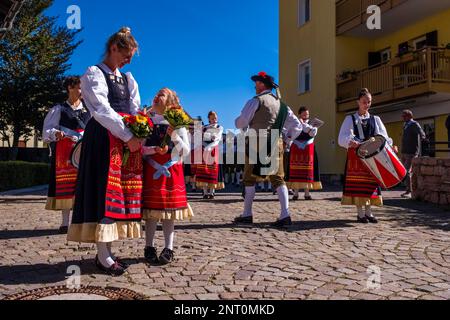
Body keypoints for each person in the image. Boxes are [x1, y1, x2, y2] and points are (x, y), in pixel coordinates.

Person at [67, 27, 143, 276]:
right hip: (103, 138)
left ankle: (107, 251)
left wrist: (140, 128)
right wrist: (129, 135)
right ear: (113, 47)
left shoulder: (128, 78)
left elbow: (134, 108)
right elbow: (101, 110)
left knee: (117, 194)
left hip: (122, 140)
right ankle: (103, 255)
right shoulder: (93, 73)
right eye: (126, 54)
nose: (129, 60)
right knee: (104, 192)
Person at [234, 71, 303, 227]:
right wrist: (287, 140)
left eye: (256, 83)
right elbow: (297, 126)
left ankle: (247, 214)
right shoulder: (284, 106)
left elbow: (241, 123)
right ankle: (285, 215)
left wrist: (237, 120)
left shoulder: (255, 101)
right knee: (278, 178)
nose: (254, 86)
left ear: (262, 84)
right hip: (275, 141)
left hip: (256, 141)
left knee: (249, 178)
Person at [142, 88, 193, 265]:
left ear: (170, 101)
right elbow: (140, 148)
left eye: (161, 94)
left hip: (172, 171)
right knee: (151, 213)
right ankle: (149, 246)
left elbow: (185, 151)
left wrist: (174, 136)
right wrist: (152, 149)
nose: (156, 96)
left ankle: (168, 248)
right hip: (152, 170)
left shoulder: (178, 122)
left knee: (168, 213)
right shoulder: (146, 119)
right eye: (156, 93)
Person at [338, 88, 397, 224]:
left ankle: (369, 212)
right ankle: (360, 214)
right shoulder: (350, 119)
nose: (367, 104)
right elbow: (342, 137)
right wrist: (349, 142)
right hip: (355, 157)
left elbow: (383, 137)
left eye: (369, 102)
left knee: (370, 184)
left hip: (371, 157)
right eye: (364, 102)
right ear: (358, 102)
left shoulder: (375, 119)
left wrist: (389, 145)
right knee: (358, 184)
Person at [43, 76, 91, 234]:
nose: (82, 91)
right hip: (65, 152)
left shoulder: (89, 109)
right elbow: (47, 131)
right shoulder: (59, 109)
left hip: (84, 150)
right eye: (79, 87)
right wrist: (56, 133)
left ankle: (81, 220)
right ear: (70, 88)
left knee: (83, 184)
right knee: (67, 184)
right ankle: (65, 222)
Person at [285, 106, 322, 201]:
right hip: (296, 148)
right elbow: (290, 132)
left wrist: (305, 125)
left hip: (308, 148)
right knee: (296, 170)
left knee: (307, 171)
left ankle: (307, 193)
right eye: (304, 114)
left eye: (307, 114)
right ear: (300, 114)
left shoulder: (312, 124)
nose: (306, 116)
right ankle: (296, 193)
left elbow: (312, 133)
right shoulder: (295, 122)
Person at [194, 111, 225, 199]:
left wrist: (209, 147)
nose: (214, 120)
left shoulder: (219, 127)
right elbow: (199, 138)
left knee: (212, 171)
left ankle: (211, 192)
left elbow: (217, 139)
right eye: (212, 118)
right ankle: (204, 192)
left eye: (215, 118)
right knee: (203, 170)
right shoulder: (204, 127)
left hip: (213, 150)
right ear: (209, 119)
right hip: (204, 149)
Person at [400, 109, 426, 198]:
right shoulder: (405, 125)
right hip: (404, 151)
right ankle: (409, 189)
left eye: (404, 116)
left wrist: (423, 137)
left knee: (406, 171)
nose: (403, 118)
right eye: (402, 116)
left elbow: (421, 132)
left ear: (410, 116)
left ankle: (409, 191)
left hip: (411, 152)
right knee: (403, 171)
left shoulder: (414, 124)